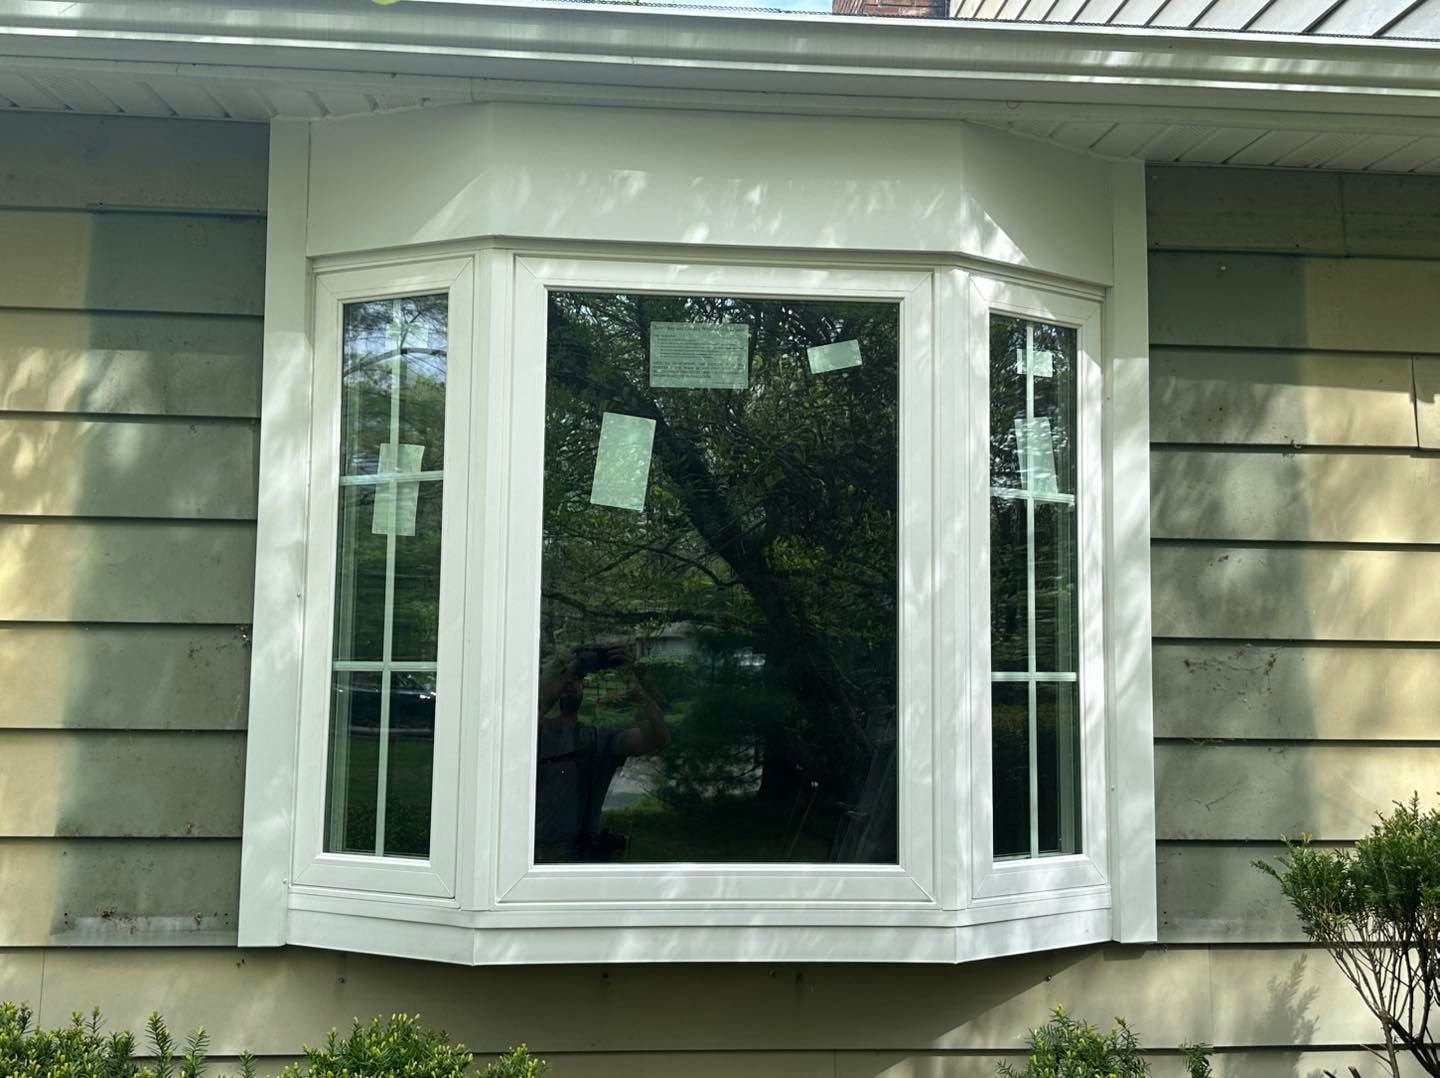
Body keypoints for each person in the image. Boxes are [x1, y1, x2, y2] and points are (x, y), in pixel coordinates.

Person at [534, 643, 670, 863]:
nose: (570, 682)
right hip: (527, 860)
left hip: (579, 860)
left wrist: (635, 684)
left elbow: (657, 738)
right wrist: (550, 683)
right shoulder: (530, 736)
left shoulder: (598, 741)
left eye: (577, 677)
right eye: (563, 675)